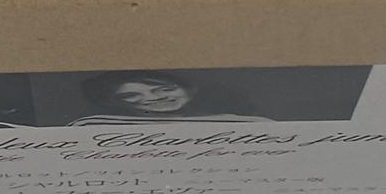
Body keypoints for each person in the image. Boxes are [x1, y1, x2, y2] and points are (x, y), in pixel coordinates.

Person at [68, 70, 271, 127]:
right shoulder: (94, 125)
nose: (153, 98)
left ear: (190, 89)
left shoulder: (247, 124)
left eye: (164, 89)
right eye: (131, 95)